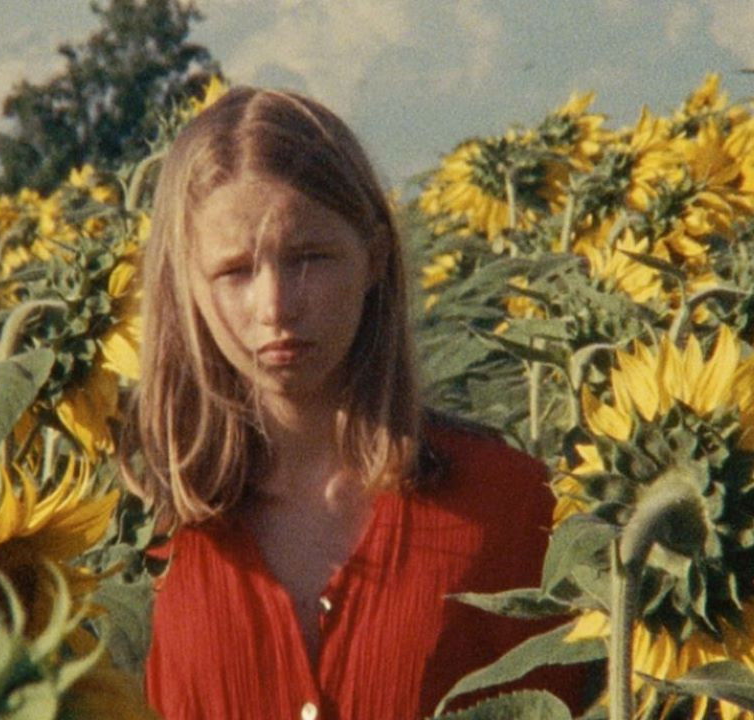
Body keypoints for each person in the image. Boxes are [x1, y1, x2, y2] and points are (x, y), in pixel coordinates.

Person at [118, 86, 591, 719]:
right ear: (186, 287)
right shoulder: (138, 543)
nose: (276, 307)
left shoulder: (513, 510)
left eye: (309, 258)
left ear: (373, 256)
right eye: (235, 271)